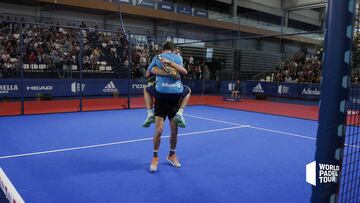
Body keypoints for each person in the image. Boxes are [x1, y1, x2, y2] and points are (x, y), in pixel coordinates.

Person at [146, 41, 189, 172]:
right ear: (170, 50)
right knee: (162, 130)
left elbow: (182, 73)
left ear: (163, 49)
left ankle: (171, 155)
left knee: (168, 130)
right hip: (161, 99)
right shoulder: (156, 58)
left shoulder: (177, 58)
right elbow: (148, 73)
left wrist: (165, 67)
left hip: (174, 99)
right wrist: (165, 72)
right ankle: (155, 157)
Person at [142, 45, 191, 128]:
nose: (176, 53)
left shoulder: (158, 58)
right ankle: (180, 113)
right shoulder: (178, 60)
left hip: (166, 95)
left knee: (146, 89)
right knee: (188, 90)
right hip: (172, 94)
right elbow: (184, 72)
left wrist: (161, 69)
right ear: (172, 51)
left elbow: (148, 73)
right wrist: (170, 73)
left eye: (178, 52)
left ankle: (150, 114)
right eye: (176, 51)